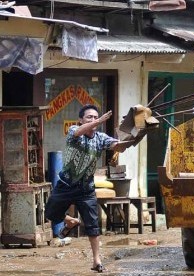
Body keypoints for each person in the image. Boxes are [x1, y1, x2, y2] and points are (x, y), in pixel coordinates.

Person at [45, 104, 129, 273]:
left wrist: (131, 136)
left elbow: (118, 146)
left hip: (86, 188)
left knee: (92, 225)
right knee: (50, 213)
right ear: (81, 120)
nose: (93, 120)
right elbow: (78, 132)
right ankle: (70, 221)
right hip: (66, 184)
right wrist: (98, 120)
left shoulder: (100, 138)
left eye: (95, 117)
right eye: (89, 117)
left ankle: (96, 260)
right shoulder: (74, 131)